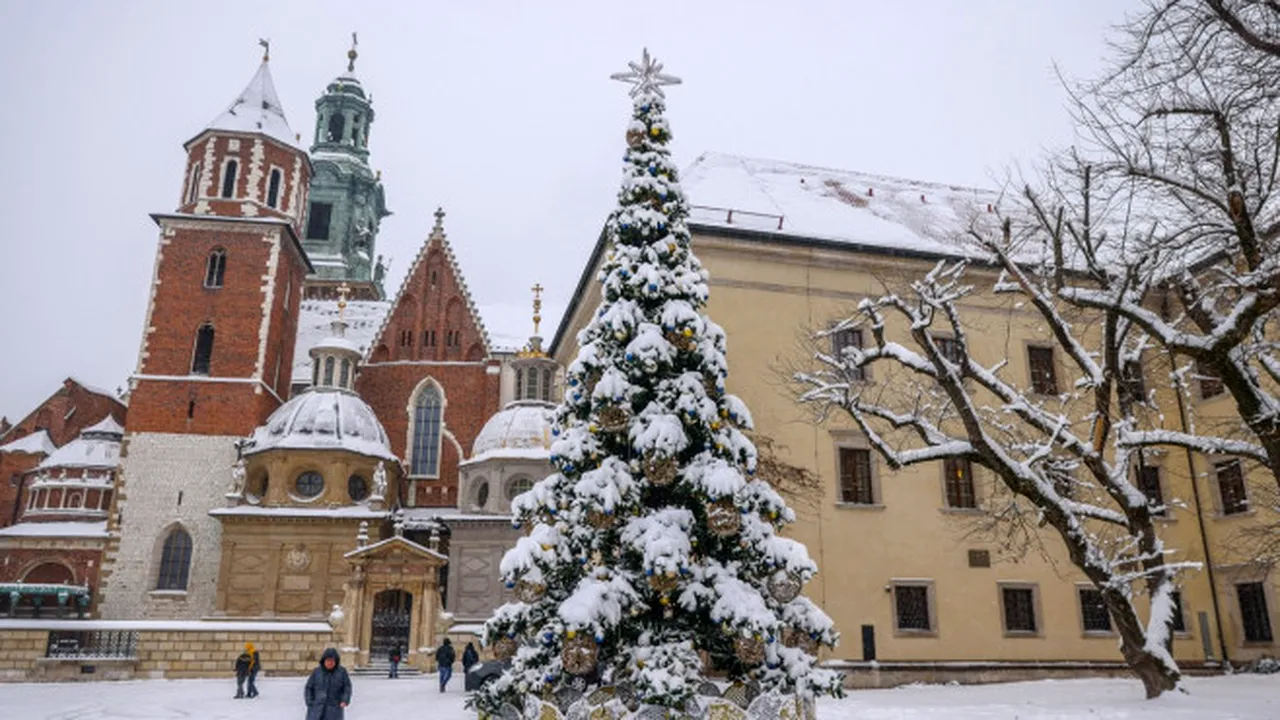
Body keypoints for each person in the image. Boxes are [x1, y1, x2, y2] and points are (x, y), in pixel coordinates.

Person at [304, 648, 352, 720]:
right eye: (328, 660)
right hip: (316, 710)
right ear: (324, 661)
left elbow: (347, 687)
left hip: (334, 710)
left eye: (332, 661)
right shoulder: (317, 672)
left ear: (336, 661)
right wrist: (309, 701)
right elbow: (309, 687)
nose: (330, 663)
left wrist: (344, 700)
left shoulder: (342, 672)